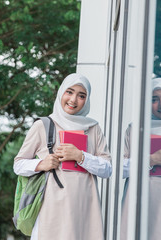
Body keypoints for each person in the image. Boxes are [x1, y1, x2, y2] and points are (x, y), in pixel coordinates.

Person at [14, 73, 112, 240]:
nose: (73, 100)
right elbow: (18, 165)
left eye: (81, 96)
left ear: (86, 100)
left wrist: (81, 156)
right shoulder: (43, 125)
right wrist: (41, 164)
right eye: (69, 92)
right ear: (61, 93)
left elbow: (107, 169)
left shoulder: (93, 128)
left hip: (85, 207)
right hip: (51, 208)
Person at [120, 77, 161, 240]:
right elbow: (118, 168)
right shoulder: (135, 131)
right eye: (154, 99)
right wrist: (149, 160)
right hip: (138, 205)